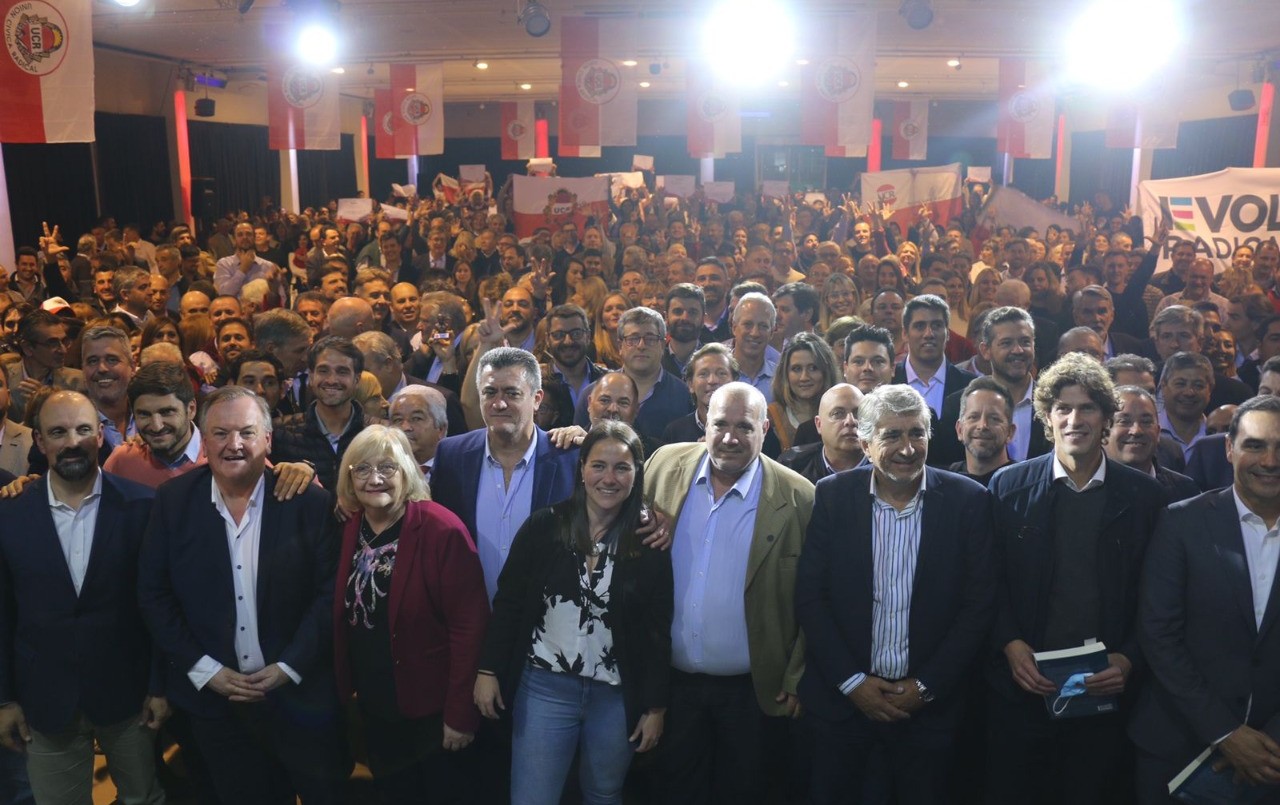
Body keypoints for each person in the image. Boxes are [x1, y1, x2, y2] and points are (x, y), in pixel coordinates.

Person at [138, 386, 349, 804]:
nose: (234, 445)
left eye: (247, 433)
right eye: (220, 433)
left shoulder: (307, 501)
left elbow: (330, 594)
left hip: (299, 698)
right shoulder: (174, 501)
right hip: (217, 704)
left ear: (268, 440)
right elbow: (154, 594)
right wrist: (205, 670)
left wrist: (289, 666)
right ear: (202, 437)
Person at [796, 384, 995, 803]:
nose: (907, 449)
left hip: (931, 714)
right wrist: (853, 683)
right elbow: (811, 597)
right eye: (891, 436)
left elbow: (978, 608)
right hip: (841, 710)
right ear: (866, 443)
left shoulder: (968, 501)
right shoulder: (832, 497)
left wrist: (925, 687)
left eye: (916, 434)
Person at [985, 352, 1167, 805]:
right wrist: (1009, 643)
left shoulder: (1145, 497)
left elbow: (1158, 597)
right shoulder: (1007, 487)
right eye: (1063, 408)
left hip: (1107, 692)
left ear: (1106, 417)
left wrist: (1129, 658)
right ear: (1047, 416)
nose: (1074, 419)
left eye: (1087, 407)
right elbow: (988, 582)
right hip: (1023, 690)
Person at [474, 422, 673, 805]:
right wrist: (488, 669)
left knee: (604, 793)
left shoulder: (649, 543)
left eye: (622, 467)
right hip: (545, 688)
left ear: (637, 474)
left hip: (615, 695)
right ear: (581, 469)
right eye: (599, 466)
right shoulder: (544, 527)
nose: (609, 478)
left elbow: (656, 631)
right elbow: (510, 603)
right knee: (533, 797)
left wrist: (655, 706)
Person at [644, 382, 814, 805]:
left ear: (764, 431)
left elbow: (816, 596)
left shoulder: (799, 497)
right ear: (704, 423)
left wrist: (798, 676)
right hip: (672, 689)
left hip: (755, 693)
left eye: (744, 426)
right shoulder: (663, 466)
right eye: (720, 423)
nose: (730, 437)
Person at [0, 391, 166, 804]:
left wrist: (162, 685)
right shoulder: (10, 515)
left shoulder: (144, 508)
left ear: (99, 437)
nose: (72, 440)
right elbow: (2, 615)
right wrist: (4, 698)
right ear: (39, 442)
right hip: (44, 700)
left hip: (131, 697)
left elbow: (162, 606)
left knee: (144, 798)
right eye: (58, 431)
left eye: (83, 429)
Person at [1132, 395, 1280, 805]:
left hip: (1273, 760)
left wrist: (1268, 743)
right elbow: (1158, 633)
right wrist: (1225, 732)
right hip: (1179, 745)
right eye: (1255, 445)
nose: (1269, 460)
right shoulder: (1182, 521)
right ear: (1229, 448)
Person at [332, 425, 489, 804]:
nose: (374, 479)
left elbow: (470, 628)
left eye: (387, 468)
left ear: (407, 472)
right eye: (362, 469)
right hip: (375, 704)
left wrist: (459, 715)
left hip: (432, 711)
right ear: (349, 478)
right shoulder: (351, 526)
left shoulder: (441, 528)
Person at [271, 336, 367, 491]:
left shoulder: (378, 433)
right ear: (311, 376)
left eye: (342, 372)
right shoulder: (280, 432)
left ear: (357, 379)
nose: (331, 380)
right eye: (323, 371)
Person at [1106, 385, 1200, 503]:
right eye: (1124, 421)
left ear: (1158, 432)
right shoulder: (1087, 489)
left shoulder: (1185, 491)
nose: (1136, 431)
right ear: (1104, 431)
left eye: (1146, 422)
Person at [892, 295, 976, 419]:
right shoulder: (889, 381)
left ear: (947, 334)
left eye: (936, 325)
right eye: (920, 326)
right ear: (905, 334)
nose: (928, 334)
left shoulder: (970, 386)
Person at [5, 310, 85, 423]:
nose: (63, 350)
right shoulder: (4, 378)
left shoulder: (78, 382)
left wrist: (49, 401)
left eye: (64, 341)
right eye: (53, 343)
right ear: (27, 347)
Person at [778, 382, 864, 483]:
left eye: (859, 413)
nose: (850, 421)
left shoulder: (883, 465)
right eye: (838, 413)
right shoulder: (791, 466)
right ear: (819, 424)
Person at [767, 332, 839, 452]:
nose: (804, 377)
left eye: (813, 368)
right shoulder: (770, 418)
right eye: (797, 369)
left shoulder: (842, 416)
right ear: (785, 374)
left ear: (826, 372)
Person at [951, 376, 1017, 485]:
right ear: (959, 430)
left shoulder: (1026, 486)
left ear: (1010, 432)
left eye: (994, 419)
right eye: (973, 417)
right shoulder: (943, 484)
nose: (983, 426)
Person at [387, 384, 449, 482]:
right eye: (398, 420)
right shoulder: (384, 472)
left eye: (416, 418)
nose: (405, 427)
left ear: (441, 429)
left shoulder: (456, 470)